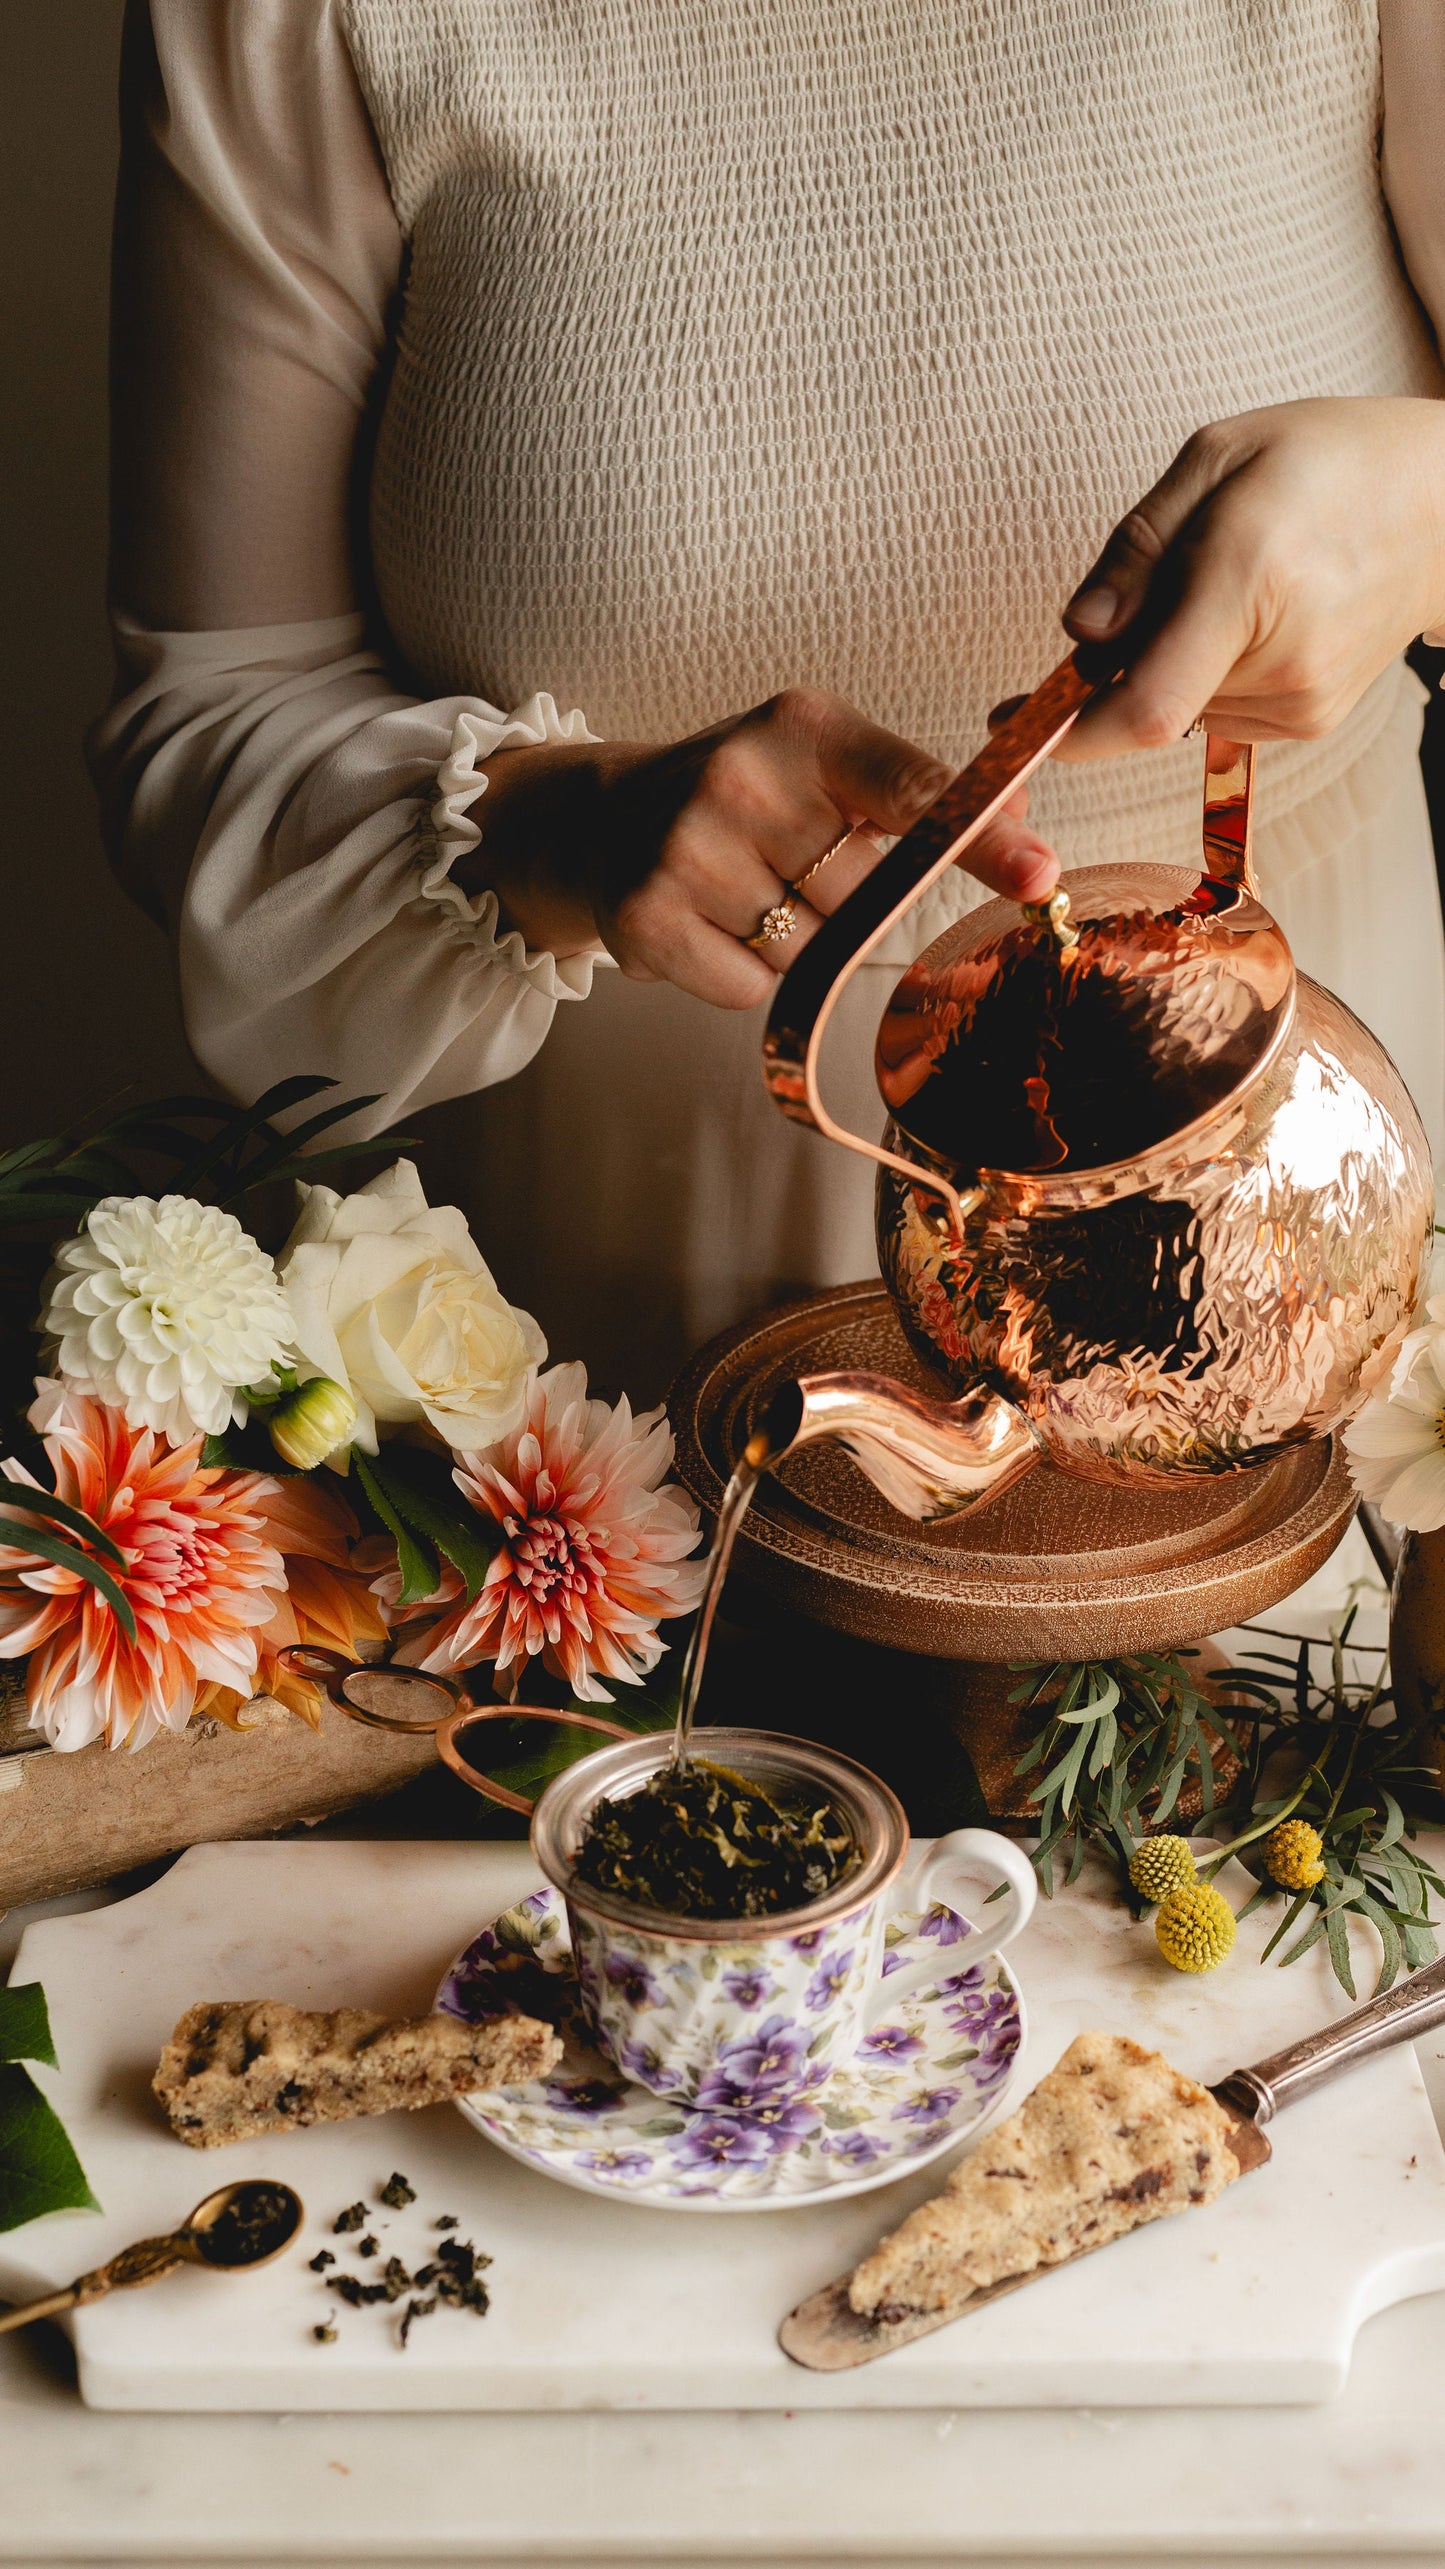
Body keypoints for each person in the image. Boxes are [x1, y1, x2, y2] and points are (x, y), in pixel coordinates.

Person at [92, 0, 1445, 1399]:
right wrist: (561, 829)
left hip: (1296, 1235)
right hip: (576, 1355)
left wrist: (1424, 513)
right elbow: (209, 720)